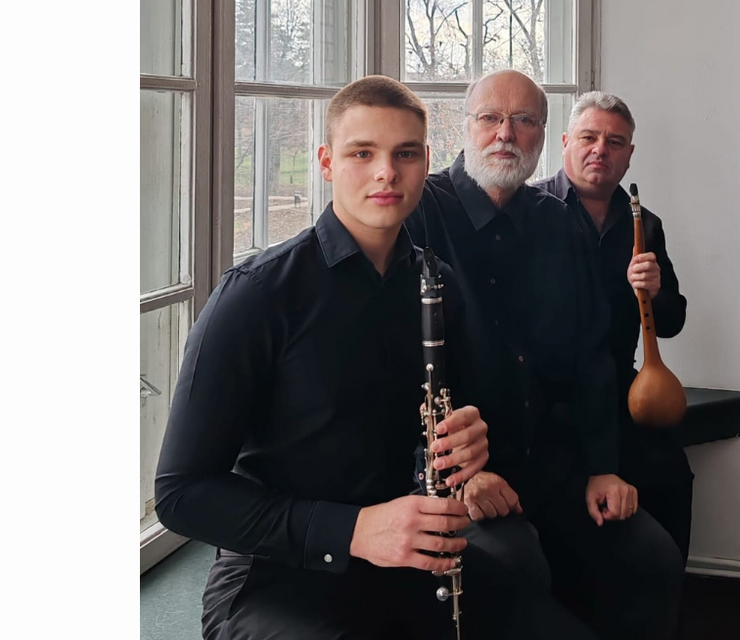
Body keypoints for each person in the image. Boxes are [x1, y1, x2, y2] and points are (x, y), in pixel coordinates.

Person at [154, 75, 594, 640]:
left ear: (426, 162)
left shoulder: (438, 283)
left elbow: (456, 415)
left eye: (405, 154)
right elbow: (181, 495)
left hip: (407, 550)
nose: (387, 172)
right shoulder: (256, 295)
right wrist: (354, 531)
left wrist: (470, 446)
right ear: (327, 162)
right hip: (277, 576)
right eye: (362, 153)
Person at [404, 70, 683, 640]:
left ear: (542, 133)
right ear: (466, 126)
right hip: (462, 474)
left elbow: (591, 356)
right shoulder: (421, 211)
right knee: (515, 567)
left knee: (651, 557)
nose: (506, 134)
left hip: (553, 465)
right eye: (490, 118)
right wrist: (459, 473)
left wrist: (602, 466)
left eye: (524, 120)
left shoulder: (558, 222)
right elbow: (391, 370)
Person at [533, 91, 694, 561]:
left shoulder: (646, 225)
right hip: (546, 400)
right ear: (566, 142)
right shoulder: (529, 211)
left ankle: (665, 595)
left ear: (629, 155)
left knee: (671, 476)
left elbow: (672, 322)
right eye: (589, 137)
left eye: (615, 142)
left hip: (620, 394)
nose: (600, 150)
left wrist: (655, 291)